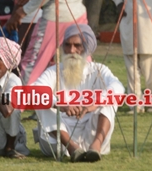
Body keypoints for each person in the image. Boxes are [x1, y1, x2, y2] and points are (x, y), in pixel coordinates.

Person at [31, 24, 124, 162]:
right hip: (57, 142)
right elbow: (34, 91)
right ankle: (72, 147)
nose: (71, 50)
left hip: (90, 135)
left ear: (86, 48)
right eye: (67, 45)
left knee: (110, 99)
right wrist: (60, 104)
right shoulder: (54, 71)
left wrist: (94, 103)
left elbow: (119, 88)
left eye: (77, 46)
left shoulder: (98, 70)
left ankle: (96, 146)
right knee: (42, 102)